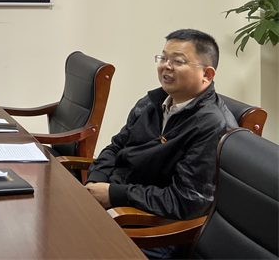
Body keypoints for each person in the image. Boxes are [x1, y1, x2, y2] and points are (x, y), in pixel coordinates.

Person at [86, 29, 238, 222]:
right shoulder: (152, 102)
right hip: (111, 198)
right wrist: (96, 180)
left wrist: (114, 194)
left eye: (178, 61)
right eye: (163, 58)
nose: (166, 66)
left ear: (207, 74)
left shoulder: (213, 126)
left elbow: (186, 201)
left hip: (139, 220)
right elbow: (117, 147)